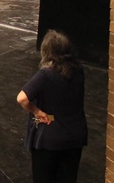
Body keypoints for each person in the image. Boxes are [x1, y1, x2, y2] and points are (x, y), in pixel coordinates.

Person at [17, 30, 87, 183]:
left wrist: (38, 112)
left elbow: (22, 98)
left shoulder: (46, 75)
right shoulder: (79, 70)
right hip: (75, 136)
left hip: (50, 137)